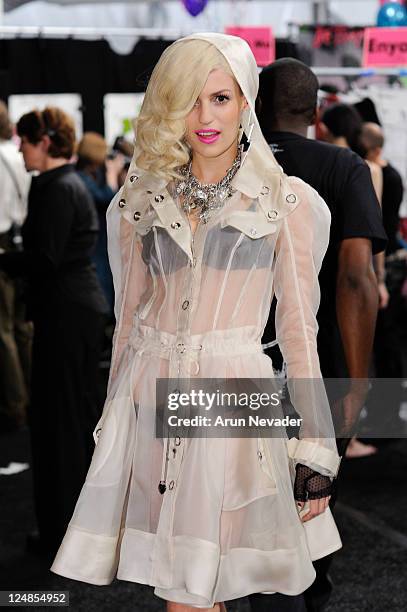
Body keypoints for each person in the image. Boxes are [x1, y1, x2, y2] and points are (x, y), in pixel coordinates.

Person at [50, 34, 342, 612]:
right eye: (189, 99)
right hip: (153, 395)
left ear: (245, 102)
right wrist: (113, 422)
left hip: (233, 400)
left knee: (209, 585)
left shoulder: (287, 203)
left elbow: (299, 332)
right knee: (187, 589)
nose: (204, 117)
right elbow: (128, 321)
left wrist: (316, 446)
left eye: (220, 98)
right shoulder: (139, 198)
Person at [258, 58, 387, 611]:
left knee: (236, 512)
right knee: (310, 514)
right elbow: (357, 279)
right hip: (317, 363)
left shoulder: (228, 165)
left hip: (235, 361)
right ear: (315, 112)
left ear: (256, 105)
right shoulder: (343, 166)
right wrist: (358, 382)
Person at [0, 107, 109, 556]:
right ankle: (71, 531)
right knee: (68, 423)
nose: (19, 148)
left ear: (44, 142)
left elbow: (44, 258)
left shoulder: (58, 188)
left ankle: (62, 535)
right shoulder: (63, 185)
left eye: (24, 141)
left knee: (60, 425)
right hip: (71, 312)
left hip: (67, 314)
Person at [320, 102, 388, 459]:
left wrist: (375, 279)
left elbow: (367, 228)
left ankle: (344, 435)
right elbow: (370, 230)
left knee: (339, 355)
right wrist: (376, 278)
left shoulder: (344, 165)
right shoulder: (358, 166)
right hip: (348, 270)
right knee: (350, 355)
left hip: (332, 271)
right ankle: (346, 435)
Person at [360, 122, 405, 434]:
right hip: (390, 259)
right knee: (387, 346)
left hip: (388, 262)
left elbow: (378, 228)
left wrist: (379, 278)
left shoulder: (378, 173)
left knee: (386, 346)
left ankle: (385, 416)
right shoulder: (389, 172)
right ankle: (385, 414)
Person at [0, 100, 32, 433]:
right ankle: (28, 394)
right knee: (22, 327)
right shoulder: (16, 155)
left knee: (5, 329)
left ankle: (15, 404)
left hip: (4, 244)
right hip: (20, 239)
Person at [76, 132, 124, 315]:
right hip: (94, 247)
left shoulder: (90, 175)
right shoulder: (82, 179)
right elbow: (107, 200)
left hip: (100, 244)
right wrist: (112, 174)